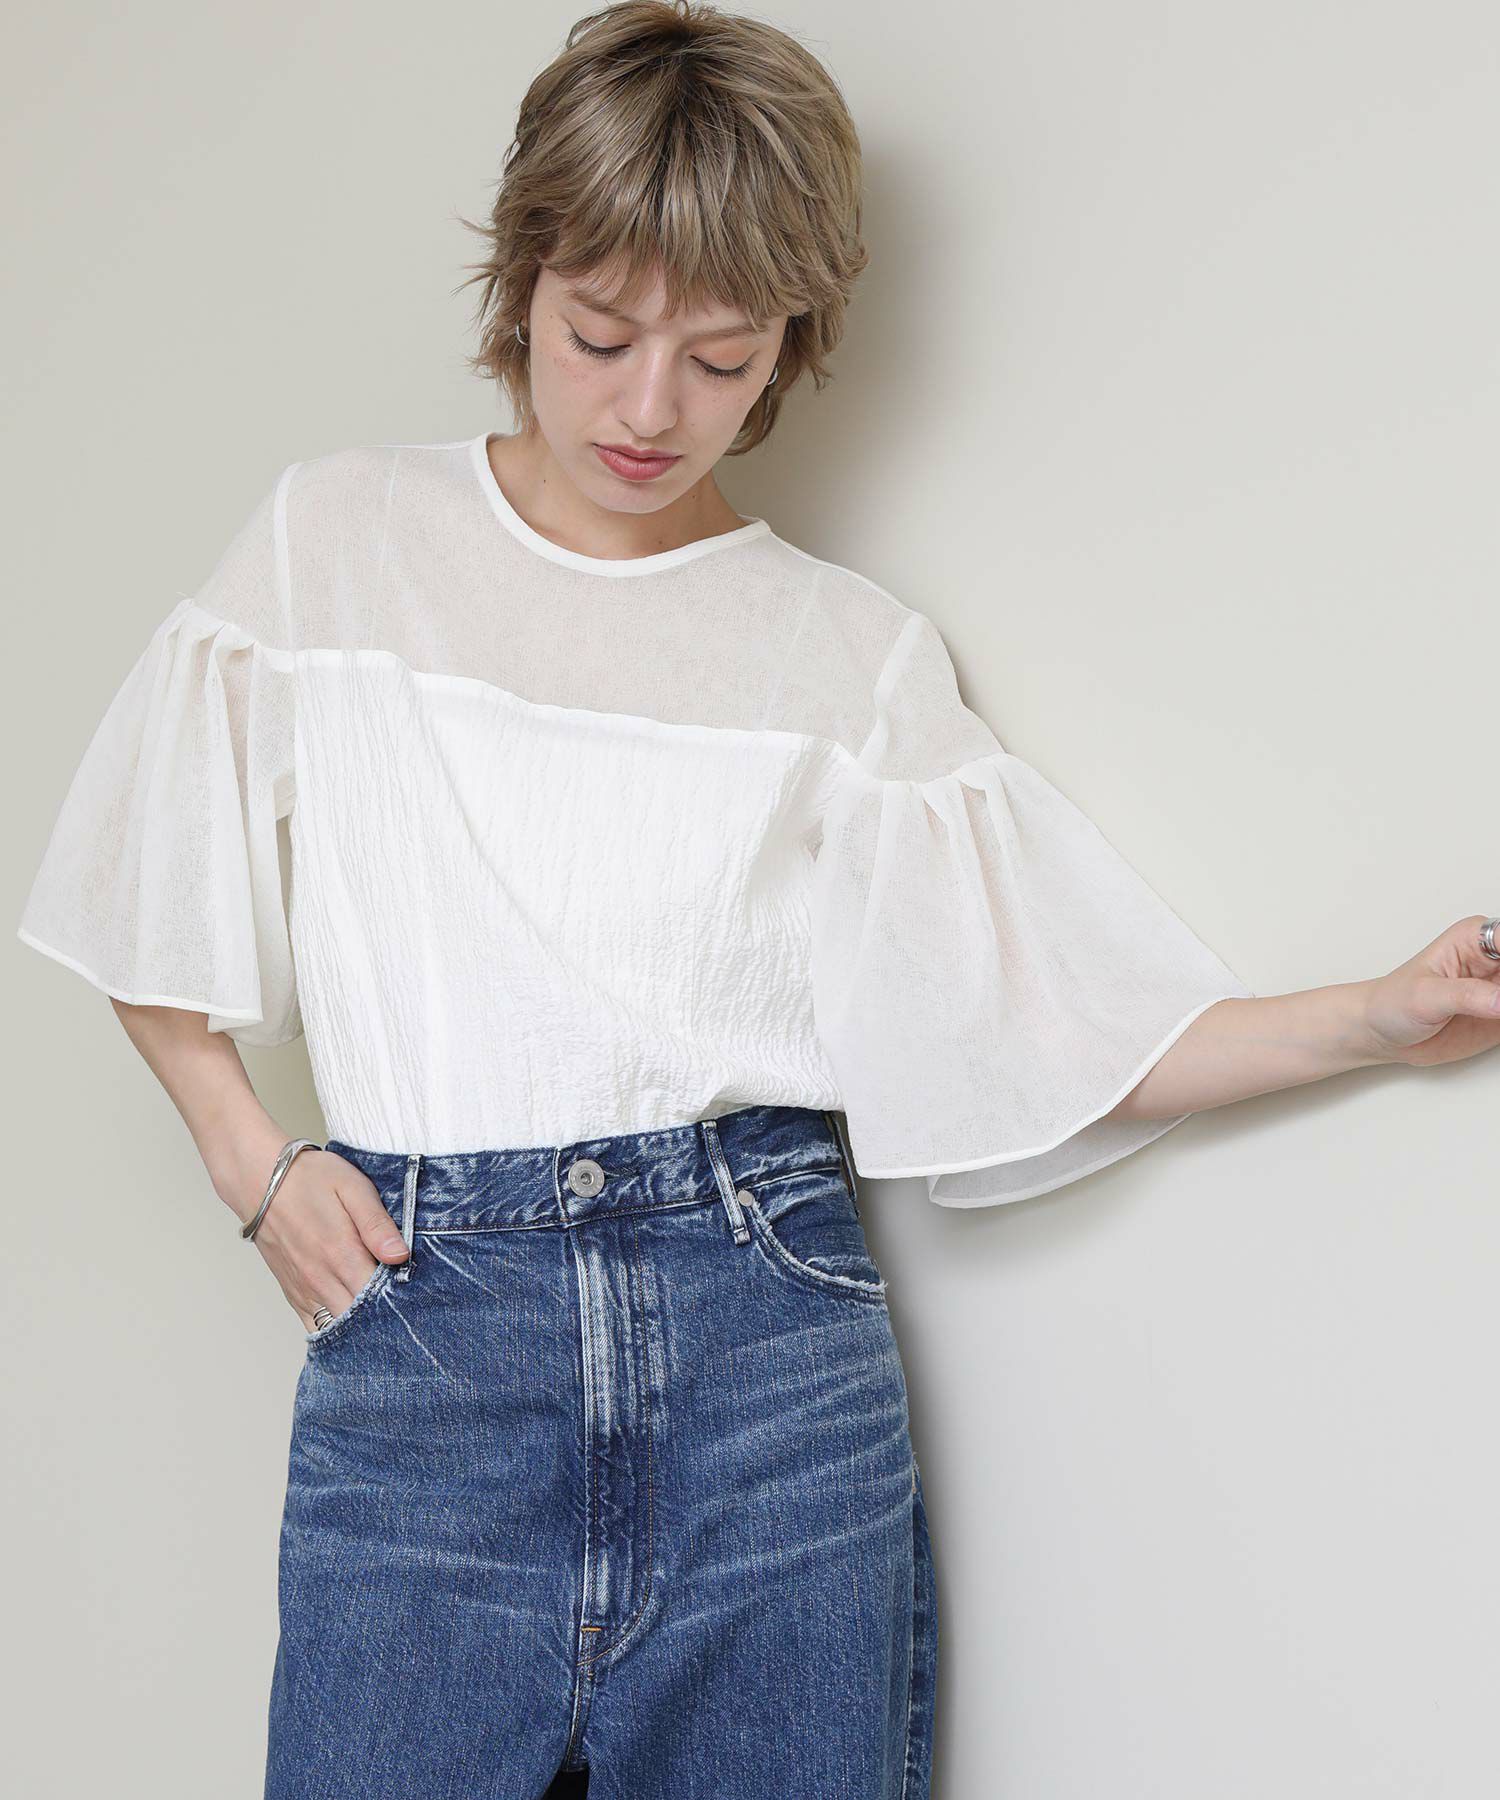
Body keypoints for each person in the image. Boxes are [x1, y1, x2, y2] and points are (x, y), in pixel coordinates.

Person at [16, 4, 1498, 1796]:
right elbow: (138, 878)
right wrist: (253, 1166)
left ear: (792, 343)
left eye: (723, 358)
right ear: (522, 284)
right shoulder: (335, 544)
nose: (653, 408)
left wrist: (1379, 1016)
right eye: (601, 335)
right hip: (428, 1352)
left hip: (765, 1361)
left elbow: (1053, 1027)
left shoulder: (841, 656)